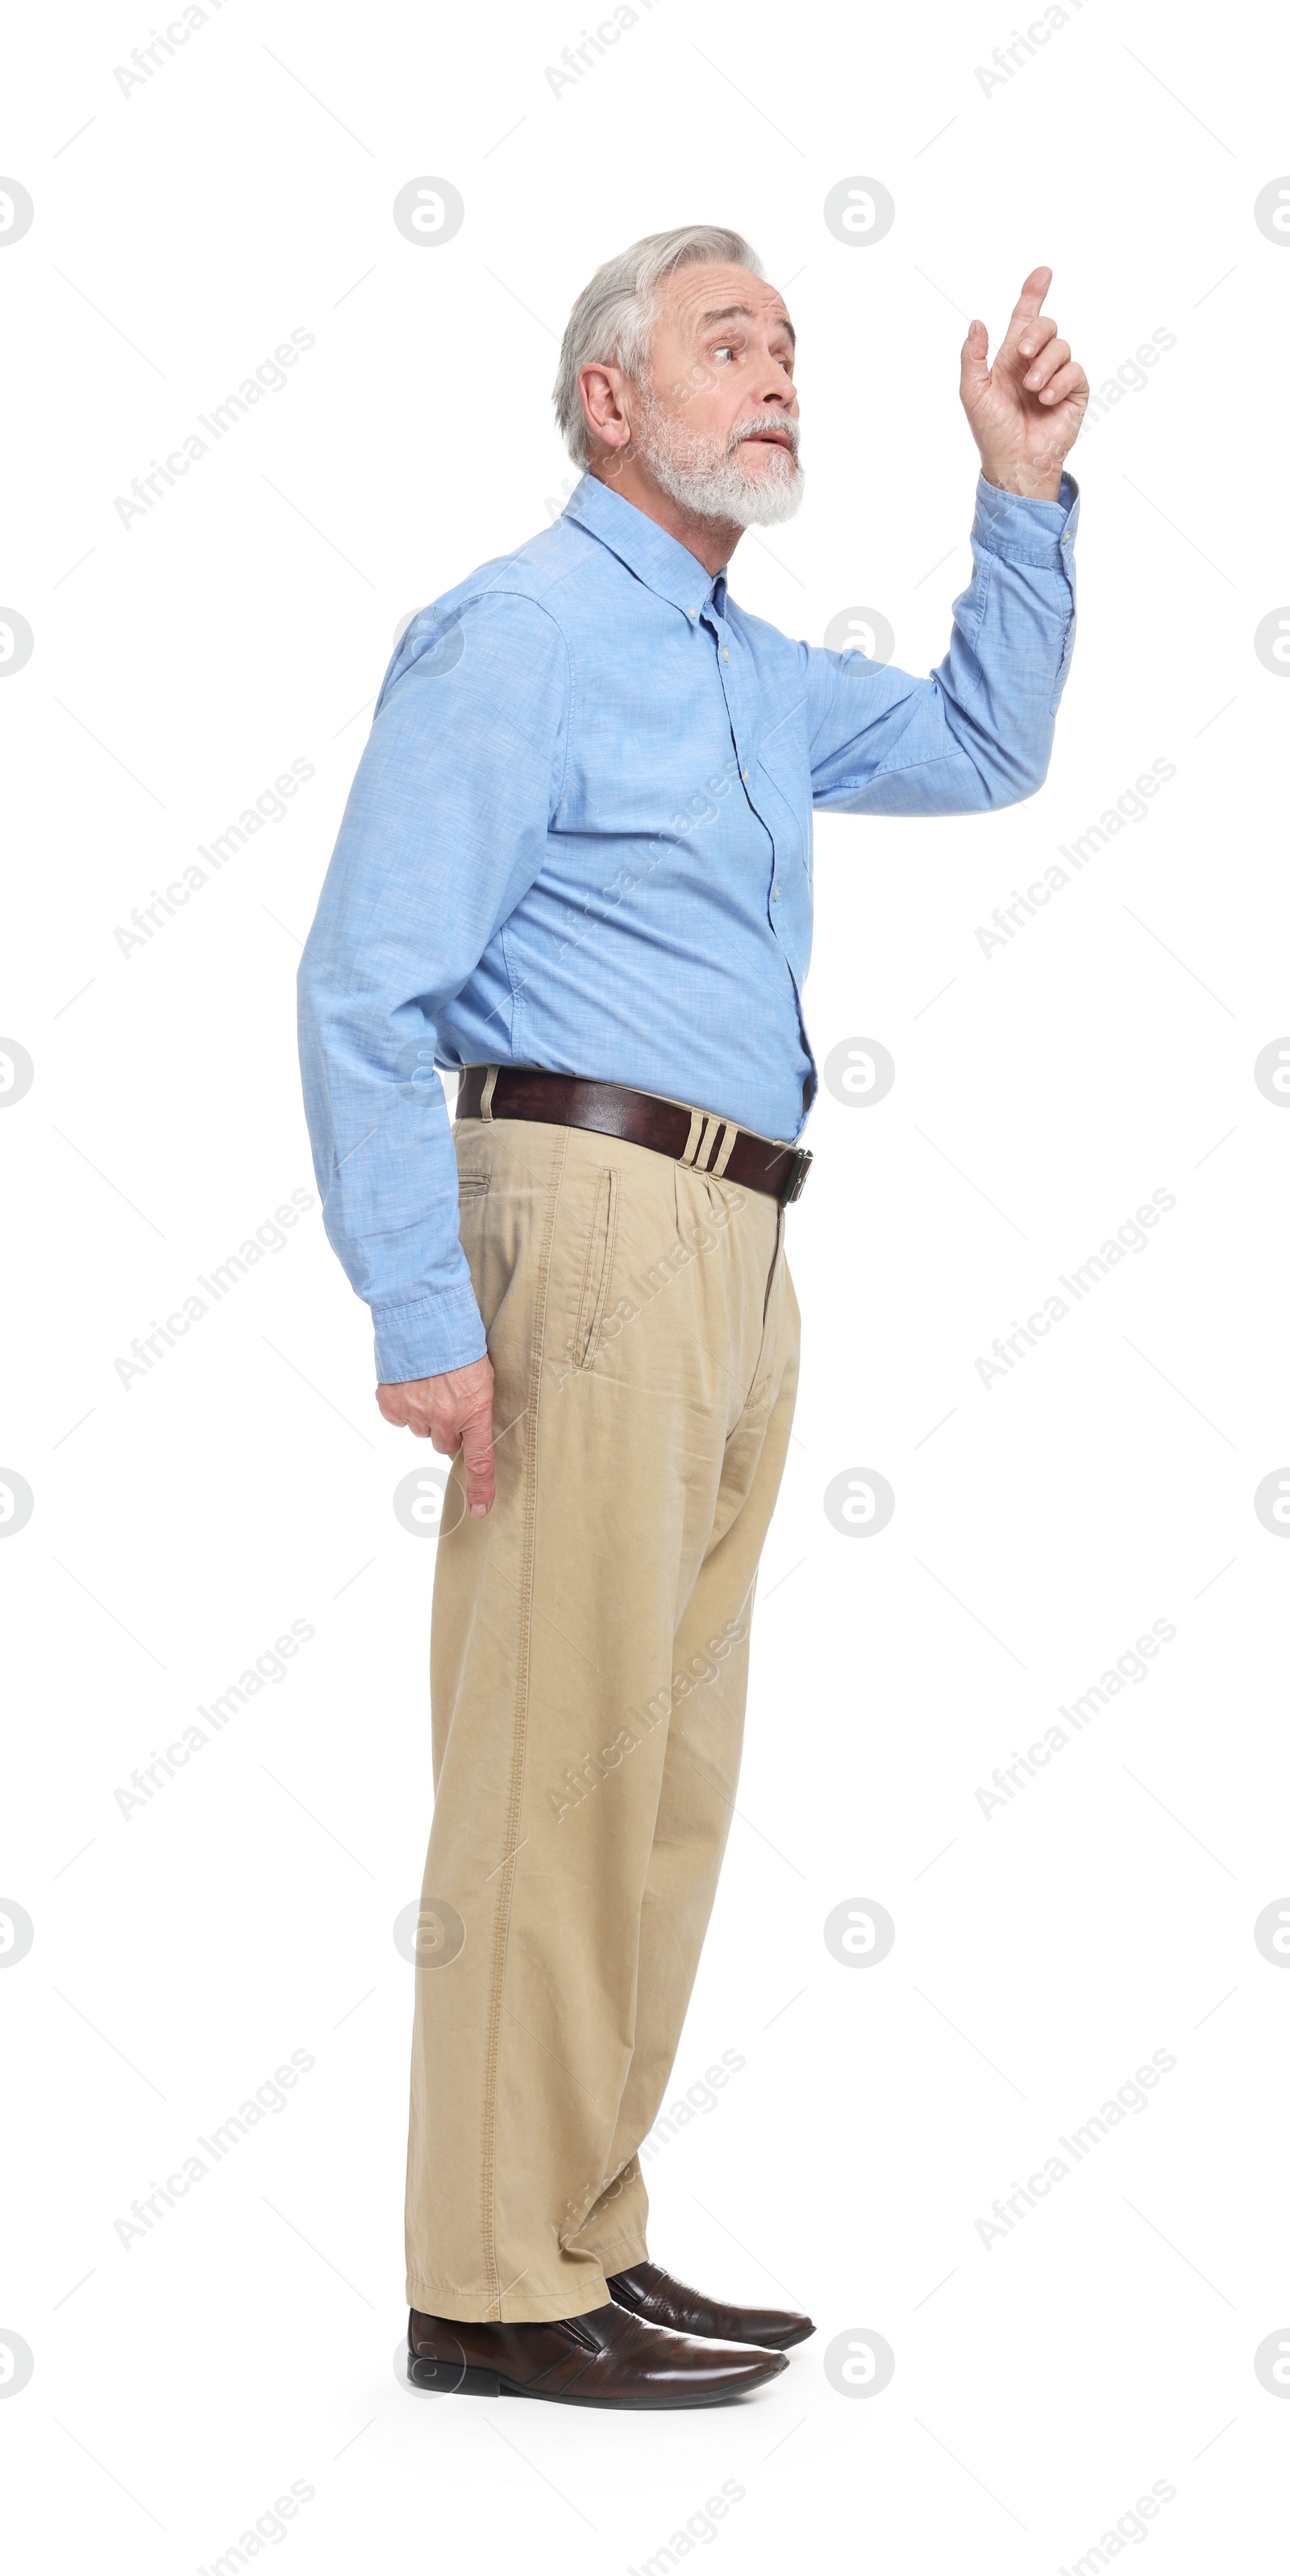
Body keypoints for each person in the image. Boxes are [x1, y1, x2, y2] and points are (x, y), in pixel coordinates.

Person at [297, 223, 1087, 2409]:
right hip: (581, 1213)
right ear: (609, 402)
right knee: (548, 1769)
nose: (781, 373)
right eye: (729, 341)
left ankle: (580, 2229)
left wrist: (1018, 490)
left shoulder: (747, 670)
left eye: (794, 349)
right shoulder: (517, 634)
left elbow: (981, 745)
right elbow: (362, 983)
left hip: (739, 1245)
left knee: (658, 1781)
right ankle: (485, 2277)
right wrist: (420, 1303)